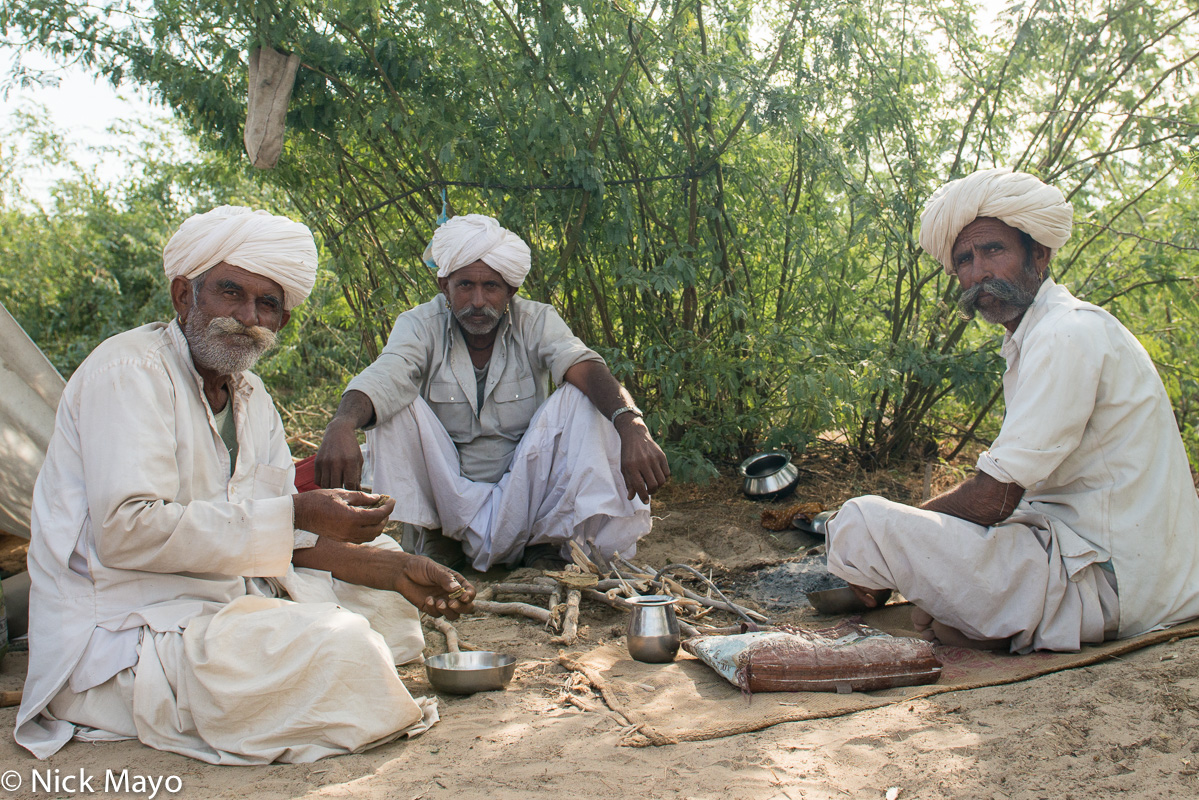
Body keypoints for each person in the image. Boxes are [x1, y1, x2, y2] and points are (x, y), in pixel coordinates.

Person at [16, 206, 476, 764]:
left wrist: (394, 570)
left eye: (267, 304)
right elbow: (127, 531)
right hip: (129, 630)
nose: (247, 316)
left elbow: (270, 537)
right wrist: (300, 512)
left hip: (226, 599)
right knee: (346, 647)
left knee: (391, 611)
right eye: (230, 293)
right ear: (185, 296)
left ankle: (321, 633)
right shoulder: (129, 372)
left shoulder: (252, 398)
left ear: (281, 322)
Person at [826, 168, 1199, 653]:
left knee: (860, 522)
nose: (978, 271)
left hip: (1115, 584)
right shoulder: (1037, 337)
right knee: (936, 608)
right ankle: (996, 617)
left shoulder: (1065, 332)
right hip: (1107, 567)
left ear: (1038, 254)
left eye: (994, 251)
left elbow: (994, 500)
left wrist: (899, 548)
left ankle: (1020, 615)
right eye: (964, 258)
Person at [315, 213, 670, 571]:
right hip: (447, 494)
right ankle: (439, 539)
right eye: (465, 285)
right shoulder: (419, 325)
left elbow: (585, 367)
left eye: (492, 287)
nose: (479, 300)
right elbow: (387, 374)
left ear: (511, 290)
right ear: (445, 286)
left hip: (524, 491)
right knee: (393, 404)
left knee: (582, 397)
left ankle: (544, 542)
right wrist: (342, 423)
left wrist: (631, 426)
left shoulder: (537, 320)